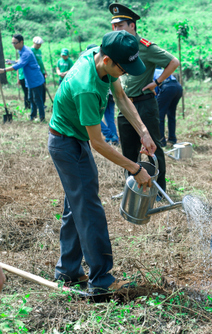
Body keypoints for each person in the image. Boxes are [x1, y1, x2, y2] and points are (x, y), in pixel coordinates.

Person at [48, 30, 155, 294]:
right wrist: (135, 168)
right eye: (124, 68)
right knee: (90, 209)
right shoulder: (86, 87)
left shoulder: (101, 58)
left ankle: (68, 271)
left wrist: (143, 131)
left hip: (75, 139)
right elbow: (98, 143)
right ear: (106, 60)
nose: (126, 73)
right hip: (67, 144)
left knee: (77, 205)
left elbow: (120, 97)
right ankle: (101, 281)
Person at [109, 3, 180, 196]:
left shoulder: (145, 47)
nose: (116, 29)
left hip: (144, 103)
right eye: (114, 26)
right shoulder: (116, 48)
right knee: (128, 150)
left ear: (132, 26)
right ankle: (131, 189)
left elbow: (174, 62)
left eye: (121, 25)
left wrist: (156, 82)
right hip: (124, 105)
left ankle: (159, 191)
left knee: (153, 147)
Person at [0, 34, 45, 122]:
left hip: (35, 79)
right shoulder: (21, 50)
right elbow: (22, 61)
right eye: (12, 43)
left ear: (21, 42)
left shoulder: (26, 52)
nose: (14, 45)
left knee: (38, 100)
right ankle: (33, 116)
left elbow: (20, 64)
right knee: (31, 99)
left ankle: (42, 118)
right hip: (29, 80)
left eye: (15, 43)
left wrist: (4, 70)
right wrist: (12, 61)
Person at [154, 68, 182, 147]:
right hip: (178, 86)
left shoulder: (150, 72)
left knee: (159, 115)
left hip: (167, 87)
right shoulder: (160, 70)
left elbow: (155, 90)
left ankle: (161, 141)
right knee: (171, 114)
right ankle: (172, 138)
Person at [31, 36, 47, 106]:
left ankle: (43, 104)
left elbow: (41, 61)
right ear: (33, 43)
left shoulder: (39, 51)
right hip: (36, 73)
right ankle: (38, 104)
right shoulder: (31, 50)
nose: (39, 46)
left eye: (40, 44)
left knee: (43, 89)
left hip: (42, 72)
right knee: (38, 89)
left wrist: (45, 70)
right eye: (37, 44)